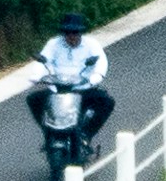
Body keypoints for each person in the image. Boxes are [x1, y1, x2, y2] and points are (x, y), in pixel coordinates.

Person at [31, 14, 114, 157]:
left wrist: (95, 77)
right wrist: (37, 76)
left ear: (80, 32)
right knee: (33, 100)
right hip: (58, 90)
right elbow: (43, 61)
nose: (71, 36)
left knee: (107, 102)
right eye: (67, 32)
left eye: (75, 32)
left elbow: (101, 62)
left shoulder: (91, 44)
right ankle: (48, 132)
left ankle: (85, 135)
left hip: (81, 90)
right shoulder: (53, 44)